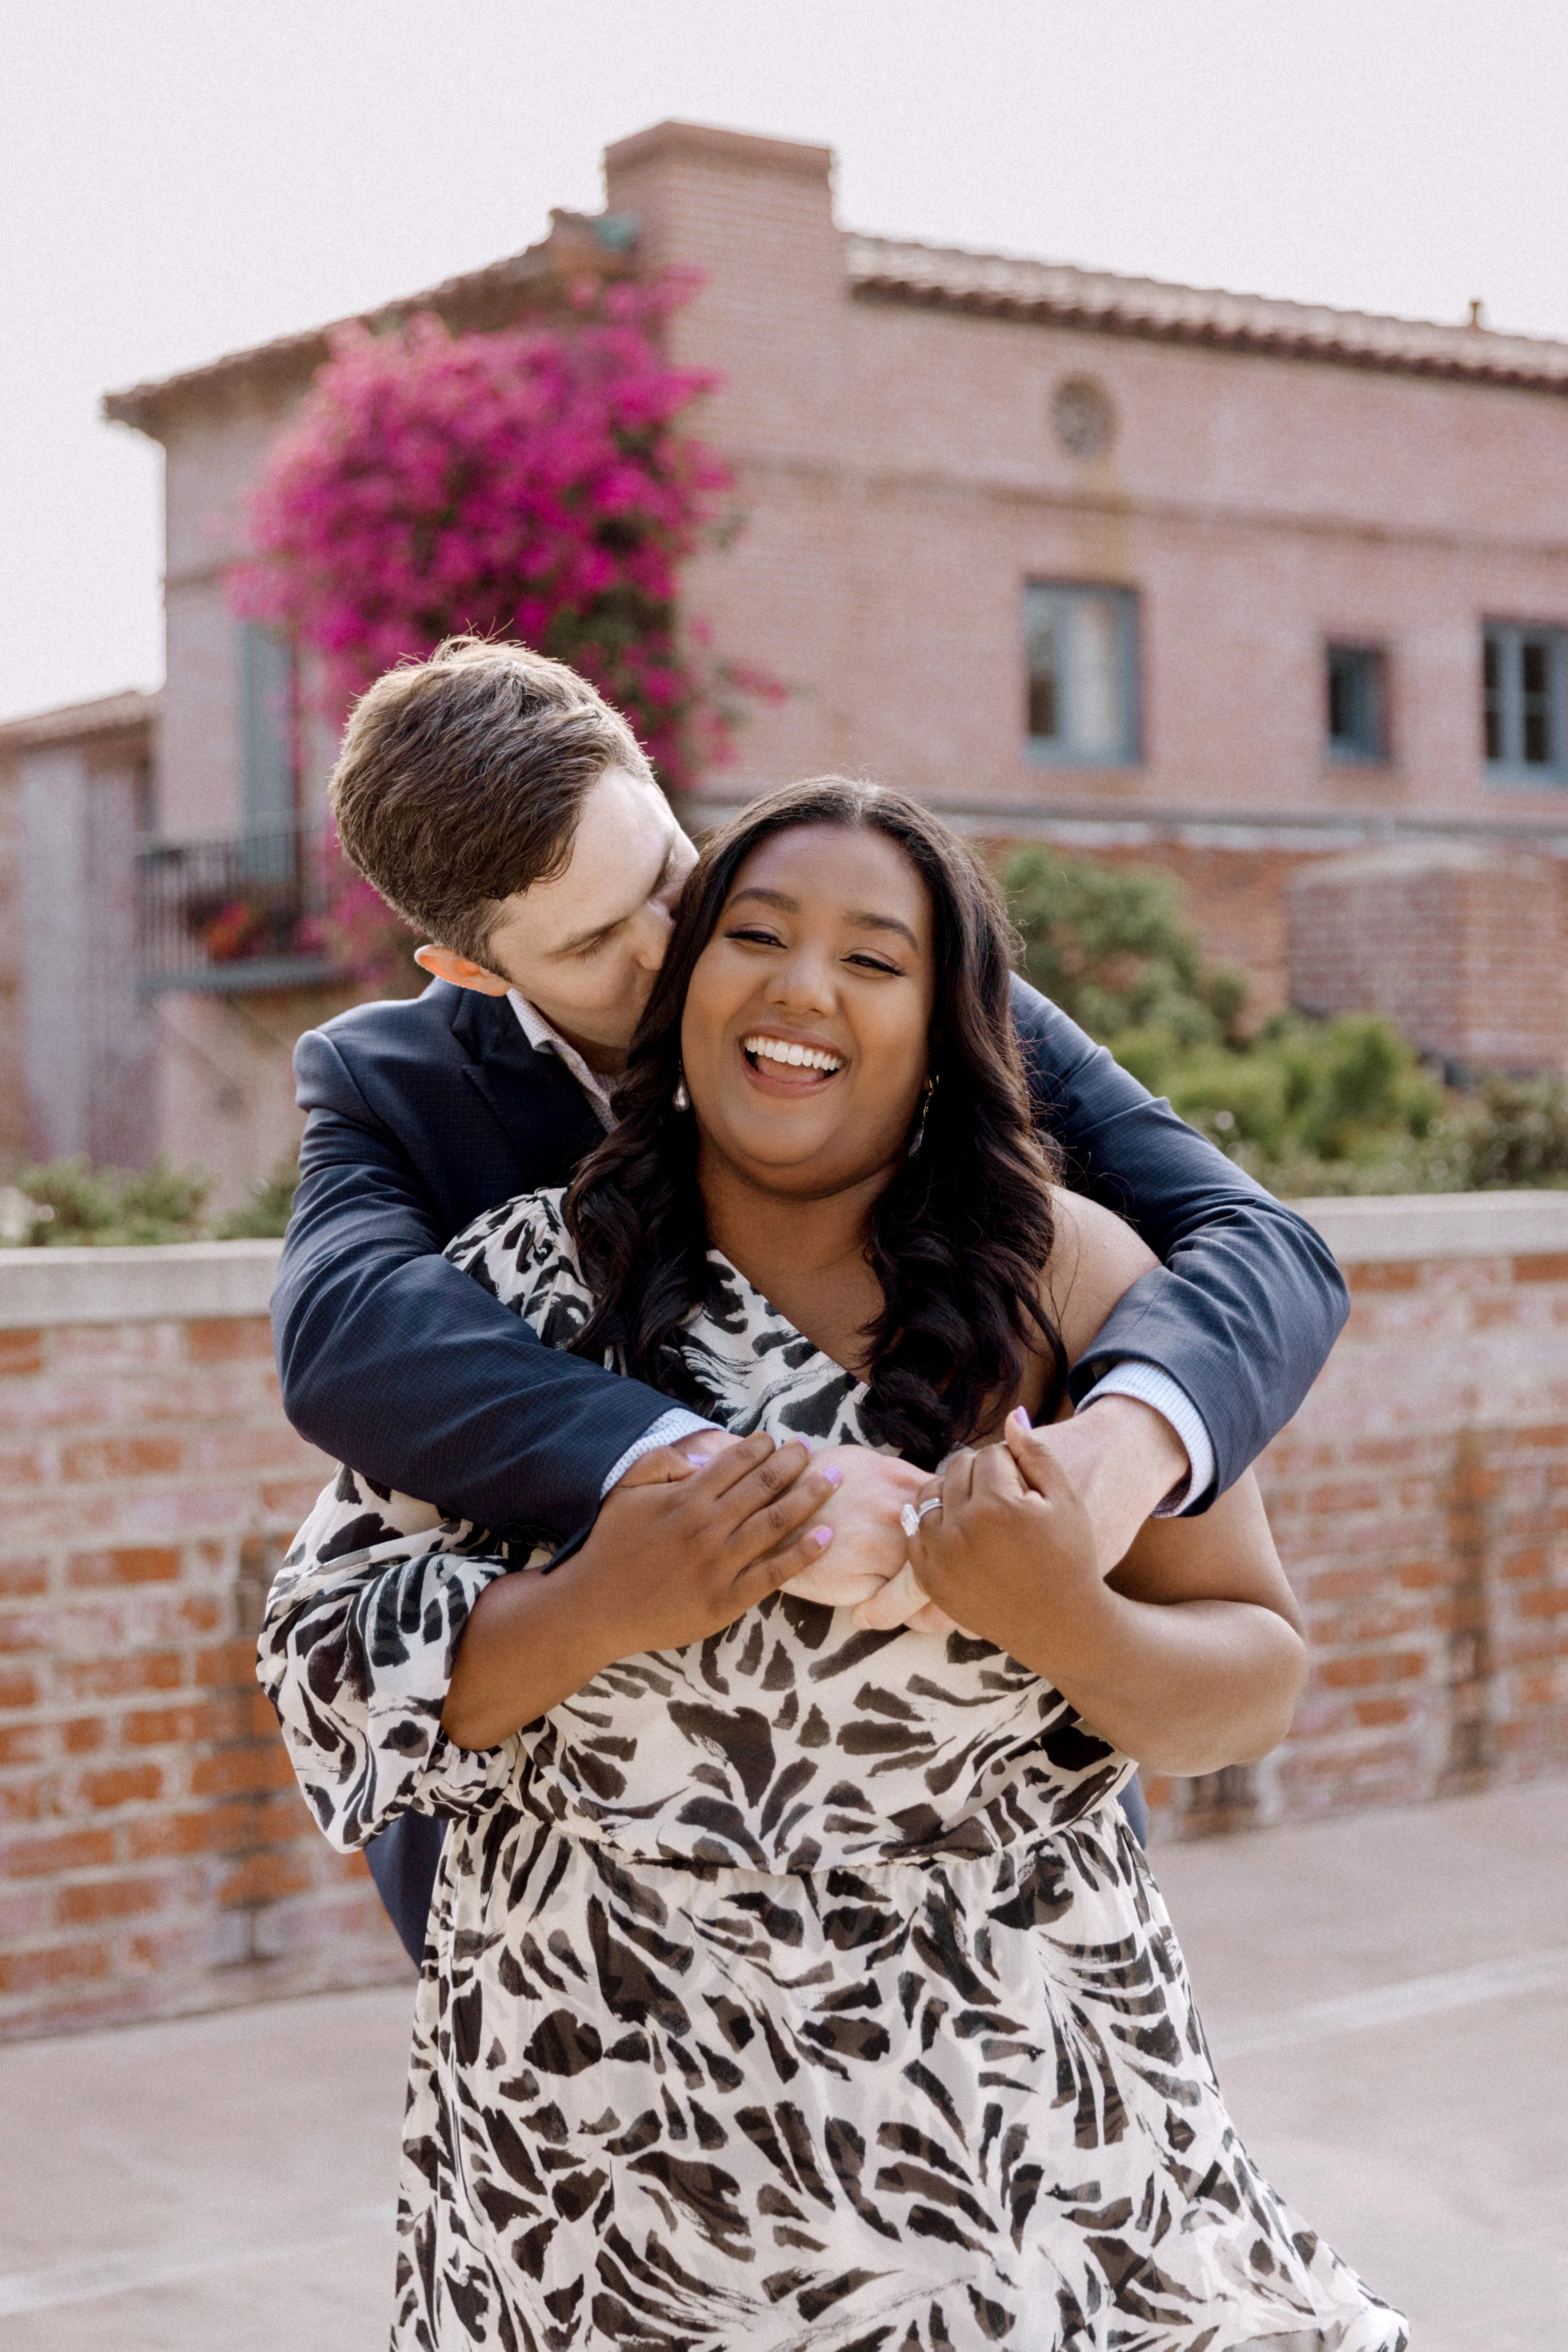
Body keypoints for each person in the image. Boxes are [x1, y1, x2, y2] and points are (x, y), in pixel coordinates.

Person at [262, 779, 1404, 2350]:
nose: (794, 983)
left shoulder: (1070, 1277)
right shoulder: (512, 1291)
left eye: (873, 962)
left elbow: (1252, 1682)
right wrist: (594, 1602)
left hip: (1008, 2167)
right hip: (599, 2174)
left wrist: (1071, 1616)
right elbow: (326, 1667)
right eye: (749, 937)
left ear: (947, 1024)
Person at [271, 639, 1349, 1959]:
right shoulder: (393, 1085)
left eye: (666, 877)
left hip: (986, 1925)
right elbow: (344, 1334)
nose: (667, 950)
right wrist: (715, 1478)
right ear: (472, 969)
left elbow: (1260, 1243)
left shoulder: (890, 982)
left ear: (659, 788)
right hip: (579, 1932)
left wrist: (1120, 1452)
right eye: (595, 943)